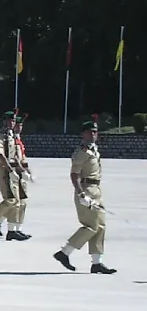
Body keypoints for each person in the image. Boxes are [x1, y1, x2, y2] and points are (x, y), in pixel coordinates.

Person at [54, 116, 116, 274]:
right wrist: (81, 194)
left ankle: (97, 262)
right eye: (90, 132)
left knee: (100, 226)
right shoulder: (82, 152)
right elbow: (74, 175)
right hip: (86, 189)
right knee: (91, 226)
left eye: (95, 131)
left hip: (96, 190)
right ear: (84, 134)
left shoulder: (93, 150)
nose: (94, 134)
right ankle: (64, 253)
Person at [0, 110, 26, 241]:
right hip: (4, 169)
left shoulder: (12, 135)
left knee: (17, 201)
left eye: (13, 120)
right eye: (9, 120)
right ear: (4, 121)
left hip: (12, 169)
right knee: (10, 200)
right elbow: (1, 155)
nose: (11, 123)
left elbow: (16, 156)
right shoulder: (1, 135)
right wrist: (11, 171)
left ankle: (11, 230)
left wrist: (21, 170)